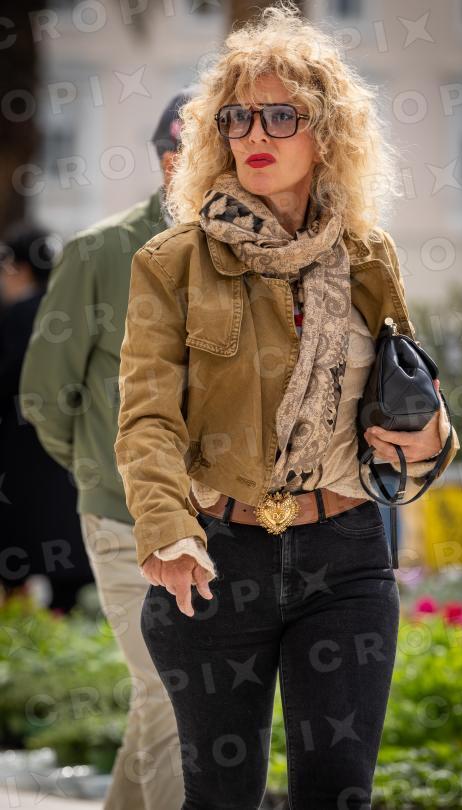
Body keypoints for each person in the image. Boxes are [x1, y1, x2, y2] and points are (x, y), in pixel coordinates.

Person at [114, 5, 461, 809]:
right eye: (236, 117)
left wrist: (434, 438)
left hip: (347, 555)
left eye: (280, 115)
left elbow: (404, 393)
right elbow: (147, 418)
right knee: (222, 795)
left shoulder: (369, 257)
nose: (253, 133)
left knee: (339, 792)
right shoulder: (172, 263)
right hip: (216, 557)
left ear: (326, 134)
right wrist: (166, 530)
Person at [19, 87, 202, 810]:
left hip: (217, 523)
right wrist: (101, 472)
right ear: (169, 161)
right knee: (174, 689)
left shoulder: (246, 252)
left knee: (162, 696)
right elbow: (44, 394)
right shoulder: (99, 251)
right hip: (124, 516)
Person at [0, 225, 93, 610]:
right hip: (71, 450)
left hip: (18, 453)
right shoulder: (73, 314)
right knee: (63, 550)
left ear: (18, 267)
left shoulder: (15, 317)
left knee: (17, 551)